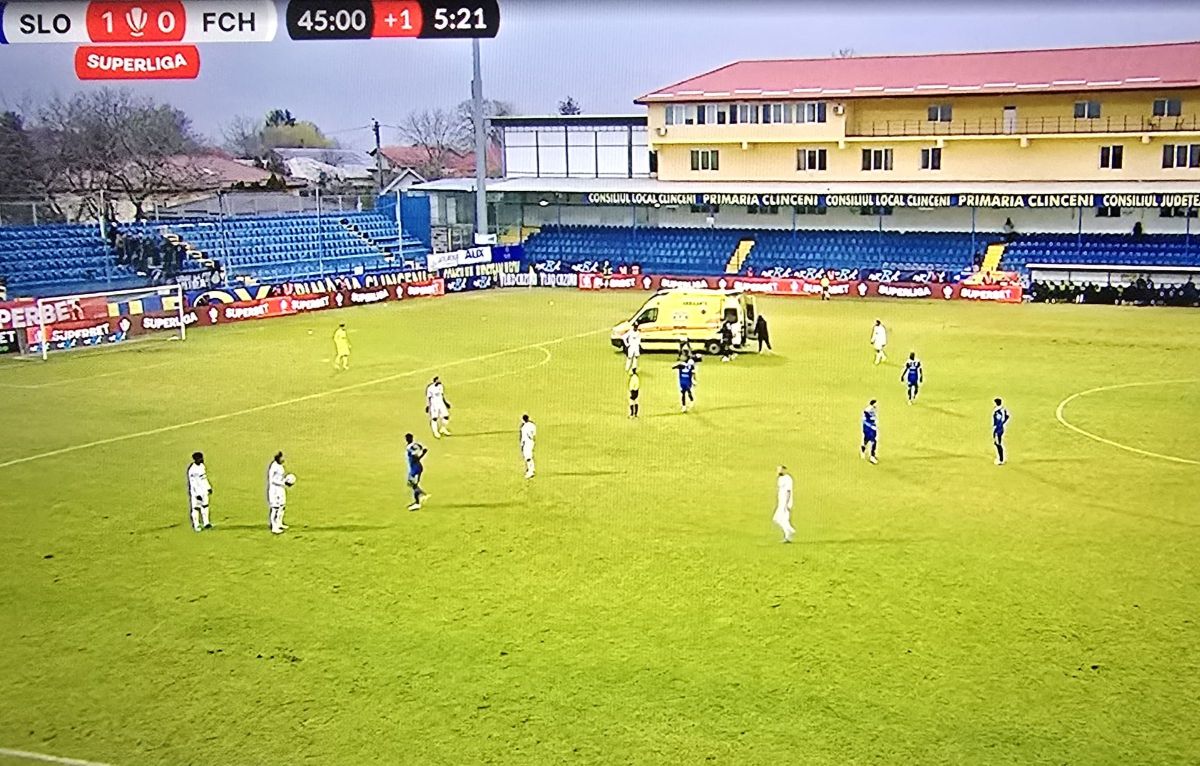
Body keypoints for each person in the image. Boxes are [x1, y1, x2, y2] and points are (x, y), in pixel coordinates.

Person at [187, 451, 213, 532]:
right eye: (200, 458)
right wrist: (197, 494)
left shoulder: (202, 466)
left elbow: (204, 478)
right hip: (196, 493)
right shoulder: (192, 470)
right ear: (195, 459)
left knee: (205, 506)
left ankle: (206, 522)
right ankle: (196, 525)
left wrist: (208, 487)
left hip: (204, 490)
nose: (202, 459)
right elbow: (193, 483)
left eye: (202, 458)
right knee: (196, 508)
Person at [404, 433, 430, 510]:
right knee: (411, 484)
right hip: (414, 468)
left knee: (414, 484)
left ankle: (417, 503)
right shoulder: (416, 445)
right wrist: (423, 452)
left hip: (416, 468)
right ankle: (422, 495)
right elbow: (422, 449)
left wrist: (423, 454)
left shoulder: (409, 447)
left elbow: (416, 458)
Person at [266, 451, 288, 534]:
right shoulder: (273, 467)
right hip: (274, 490)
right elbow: (272, 480)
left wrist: (286, 480)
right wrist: (283, 483)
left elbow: (280, 477)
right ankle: (274, 527)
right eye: (282, 458)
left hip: (280, 489)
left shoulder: (280, 466)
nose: (284, 459)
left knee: (282, 505)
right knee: (275, 508)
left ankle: (279, 523)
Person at [773, 465, 795, 544]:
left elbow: (788, 491)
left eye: (780, 470)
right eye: (777, 470)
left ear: (784, 470)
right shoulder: (780, 479)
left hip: (785, 503)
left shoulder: (788, 478)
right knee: (779, 519)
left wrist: (787, 503)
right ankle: (788, 534)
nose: (778, 471)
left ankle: (790, 531)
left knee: (779, 519)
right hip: (781, 502)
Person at [992, 398, 1010, 466]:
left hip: (998, 429)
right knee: (997, 443)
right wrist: (1003, 423)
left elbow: (999, 420)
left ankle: (1001, 460)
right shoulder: (1003, 409)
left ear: (996, 403)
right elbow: (1007, 416)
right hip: (1000, 428)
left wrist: (997, 427)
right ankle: (1001, 459)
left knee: (998, 444)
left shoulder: (998, 411)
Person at [861, 399, 879, 464]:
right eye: (876, 403)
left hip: (872, 428)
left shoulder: (874, 409)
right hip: (868, 428)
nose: (877, 405)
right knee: (872, 441)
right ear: (873, 403)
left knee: (869, 440)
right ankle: (872, 456)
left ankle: (865, 452)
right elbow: (866, 418)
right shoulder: (868, 410)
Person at [519, 414, 537, 479]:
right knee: (530, 456)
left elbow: (523, 437)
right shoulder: (532, 425)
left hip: (526, 443)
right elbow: (534, 434)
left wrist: (521, 445)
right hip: (531, 442)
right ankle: (532, 469)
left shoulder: (523, 427)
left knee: (528, 457)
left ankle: (530, 471)